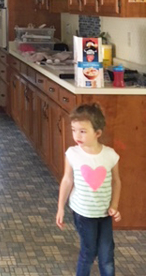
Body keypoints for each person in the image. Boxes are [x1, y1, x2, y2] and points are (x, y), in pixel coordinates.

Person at [56, 103, 121, 276]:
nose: (77, 135)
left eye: (83, 131)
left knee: (107, 255)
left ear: (97, 133)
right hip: (83, 214)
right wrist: (60, 207)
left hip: (104, 214)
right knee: (89, 252)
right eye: (74, 130)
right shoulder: (72, 153)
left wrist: (114, 205)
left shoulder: (110, 155)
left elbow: (116, 182)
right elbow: (67, 180)